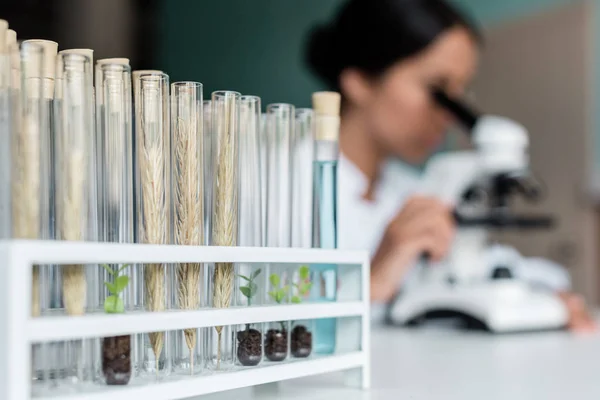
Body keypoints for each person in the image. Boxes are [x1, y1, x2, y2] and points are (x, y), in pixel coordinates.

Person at [305, 0, 595, 332]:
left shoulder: (412, 188)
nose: (448, 115)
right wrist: (370, 280)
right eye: (438, 90)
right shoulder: (279, 187)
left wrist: (547, 295)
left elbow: (505, 266)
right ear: (359, 81)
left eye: (459, 94)